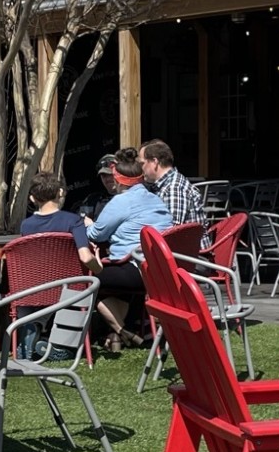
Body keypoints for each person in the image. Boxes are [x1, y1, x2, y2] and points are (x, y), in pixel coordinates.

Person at [82, 148, 173, 350]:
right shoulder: (155, 199)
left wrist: (87, 224)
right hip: (160, 270)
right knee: (110, 287)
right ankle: (121, 334)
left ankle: (122, 332)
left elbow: (96, 234)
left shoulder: (121, 201)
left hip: (135, 270)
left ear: (117, 179)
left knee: (85, 279)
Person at [17, 171, 101, 359]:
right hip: (68, 289)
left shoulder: (26, 225)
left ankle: (32, 332)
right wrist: (99, 268)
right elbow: (85, 257)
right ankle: (62, 347)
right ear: (60, 193)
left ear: (32, 198)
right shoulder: (73, 221)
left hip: (35, 288)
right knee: (86, 290)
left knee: (35, 301)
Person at [140, 139, 205, 226]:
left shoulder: (174, 188)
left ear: (155, 162)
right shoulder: (162, 185)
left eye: (142, 164)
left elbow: (172, 228)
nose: (140, 168)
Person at [75, 153, 121, 219]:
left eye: (111, 174)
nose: (108, 179)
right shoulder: (92, 200)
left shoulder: (131, 196)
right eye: (104, 176)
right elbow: (80, 221)